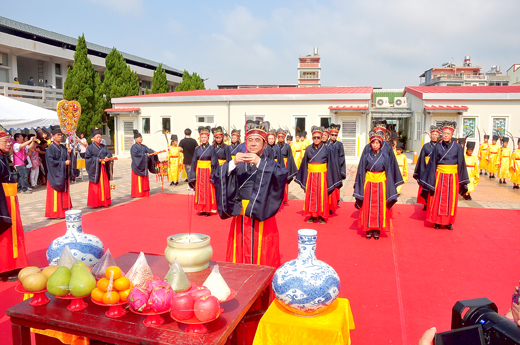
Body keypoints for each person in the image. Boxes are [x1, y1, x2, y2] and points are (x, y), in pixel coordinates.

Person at [212, 120, 287, 267]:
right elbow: (216, 176)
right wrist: (232, 164)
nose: (253, 143)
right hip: (241, 215)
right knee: (239, 249)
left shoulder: (269, 163)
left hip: (262, 214)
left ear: (264, 144)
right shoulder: (239, 162)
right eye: (250, 140)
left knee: (262, 251)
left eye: (257, 140)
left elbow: (282, 175)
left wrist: (260, 163)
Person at [421, 121, 469, 230]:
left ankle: (448, 222)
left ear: (452, 135)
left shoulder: (457, 147)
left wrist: (463, 181)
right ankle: (437, 221)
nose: (445, 135)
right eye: (444, 133)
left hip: (452, 176)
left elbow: (461, 164)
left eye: (448, 133)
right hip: (439, 176)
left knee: (450, 200)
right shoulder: (438, 147)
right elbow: (432, 163)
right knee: (437, 199)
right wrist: (430, 180)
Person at [354, 131, 400, 240]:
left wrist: (391, 188)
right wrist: (359, 187)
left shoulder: (386, 157)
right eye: (373, 142)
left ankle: (377, 229)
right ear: (370, 144)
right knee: (368, 206)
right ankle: (369, 229)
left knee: (379, 207)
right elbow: (361, 172)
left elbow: (389, 173)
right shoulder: (365, 157)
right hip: (369, 184)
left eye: (377, 143)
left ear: (380, 144)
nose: (375, 144)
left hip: (381, 185)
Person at [295, 126, 341, 224]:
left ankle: (321, 215)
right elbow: (304, 165)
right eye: (314, 137)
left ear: (321, 137)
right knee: (311, 196)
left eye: (318, 137)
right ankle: (312, 215)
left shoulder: (327, 149)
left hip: (322, 176)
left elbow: (331, 164)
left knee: (322, 196)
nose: (316, 139)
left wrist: (331, 178)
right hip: (311, 176)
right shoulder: (308, 149)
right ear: (312, 138)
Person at [0, 128, 29, 274]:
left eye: (9, 141)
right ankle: (4, 268)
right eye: (5, 141)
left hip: (10, 199)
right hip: (2, 201)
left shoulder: (3, 157)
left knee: (14, 232)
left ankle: (14, 263)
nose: (8, 144)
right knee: (5, 233)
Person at [358, 120, 404, 191]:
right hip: (369, 180)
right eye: (377, 133)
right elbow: (362, 165)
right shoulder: (368, 147)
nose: (379, 135)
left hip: (383, 179)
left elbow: (392, 163)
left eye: (381, 133)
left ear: (384, 134)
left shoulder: (388, 146)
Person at [45, 125, 73, 219]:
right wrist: (63, 163)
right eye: (58, 135)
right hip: (55, 175)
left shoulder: (63, 148)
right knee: (55, 195)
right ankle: (55, 213)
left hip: (62, 174)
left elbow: (68, 159)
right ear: (53, 136)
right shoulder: (50, 149)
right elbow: (51, 162)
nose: (60, 136)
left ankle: (64, 211)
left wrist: (70, 153)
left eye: (61, 135)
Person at [189, 126, 218, 216]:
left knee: (208, 190)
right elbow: (194, 161)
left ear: (208, 138)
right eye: (202, 137)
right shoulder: (197, 149)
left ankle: (208, 209)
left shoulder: (211, 148)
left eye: (205, 137)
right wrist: (192, 173)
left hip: (208, 171)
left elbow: (214, 161)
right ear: (200, 138)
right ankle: (201, 209)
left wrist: (213, 173)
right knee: (199, 190)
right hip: (199, 171)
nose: (203, 139)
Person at [413, 125, 440, 210]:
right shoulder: (426, 146)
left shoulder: (441, 146)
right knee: (426, 185)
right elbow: (421, 159)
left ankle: (434, 202)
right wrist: (422, 170)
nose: (434, 136)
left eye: (436, 135)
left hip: (437, 168)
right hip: (426, 168)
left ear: (439, 136)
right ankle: (425, 203)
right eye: (433, 134)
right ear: (430, 135)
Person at [85, 128, 112, 208]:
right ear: (93, 138)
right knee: (96, 186)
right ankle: (96, 202)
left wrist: (107, 157)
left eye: (100, 137)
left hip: (103, 169)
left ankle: (105, 201)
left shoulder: (103, 146)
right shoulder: (90, 148)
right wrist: (98, 160)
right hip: (95, 169)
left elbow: (109, 154)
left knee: (104, 184)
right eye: (97, 137)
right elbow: (88, 158)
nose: (99, 139)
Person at [130, 129, 158, 198]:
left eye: (141, 137)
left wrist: (153, 152)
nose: (141, 139)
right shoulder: (134, 147)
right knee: (138, 181)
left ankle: (145, 193)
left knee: (144, 181)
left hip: (143, 166)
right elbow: (136, 155)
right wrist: (145, 155)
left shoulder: (143, 146)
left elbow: (148, 150)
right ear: (135, 139)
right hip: (137, 166)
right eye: (139, 138)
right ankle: (138, 193)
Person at [276, 128, 298, 204]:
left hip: (285, 164)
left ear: (284, 137)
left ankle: (284, 198)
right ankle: (277, 197)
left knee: (284, 182)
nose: (280, 138)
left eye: (282, 137)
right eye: (279, 137)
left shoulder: (287, 146)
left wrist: (289, 167)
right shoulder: (275, 146)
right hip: (277, 165)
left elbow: (290, 157)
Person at [328, 124, 346, 211]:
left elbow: (342, 156)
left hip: (336, 168)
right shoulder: (326, 144)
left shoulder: (339, 144)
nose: (334, 136)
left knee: (335, 186)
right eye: (332, 135)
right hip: (327, 169)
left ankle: (336, 201)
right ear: (329, 135)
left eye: (335, 135)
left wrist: (337, 166)